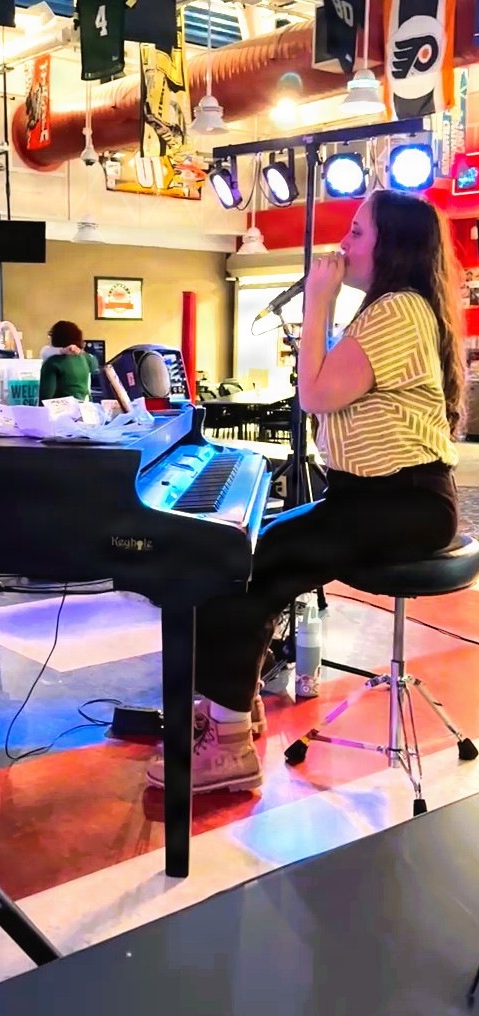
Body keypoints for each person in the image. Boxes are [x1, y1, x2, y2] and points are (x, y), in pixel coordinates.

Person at [147, 189, 465, 794]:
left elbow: (315, 395)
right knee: (250, 561)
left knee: (248, 571)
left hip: (404, 502)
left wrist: (317, 299)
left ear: (394, 247)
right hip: (376, 498)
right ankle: (230, 710)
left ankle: (228, 741)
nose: (343, 244)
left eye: (358, 232)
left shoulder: (398, 309)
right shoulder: (390, 308)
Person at [38, 320, 99, 403]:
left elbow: (46, 397)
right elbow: (95, 365)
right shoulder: (86, 358)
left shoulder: (52, 363)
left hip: (62, 409)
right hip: (84, 407)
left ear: (56, 337)